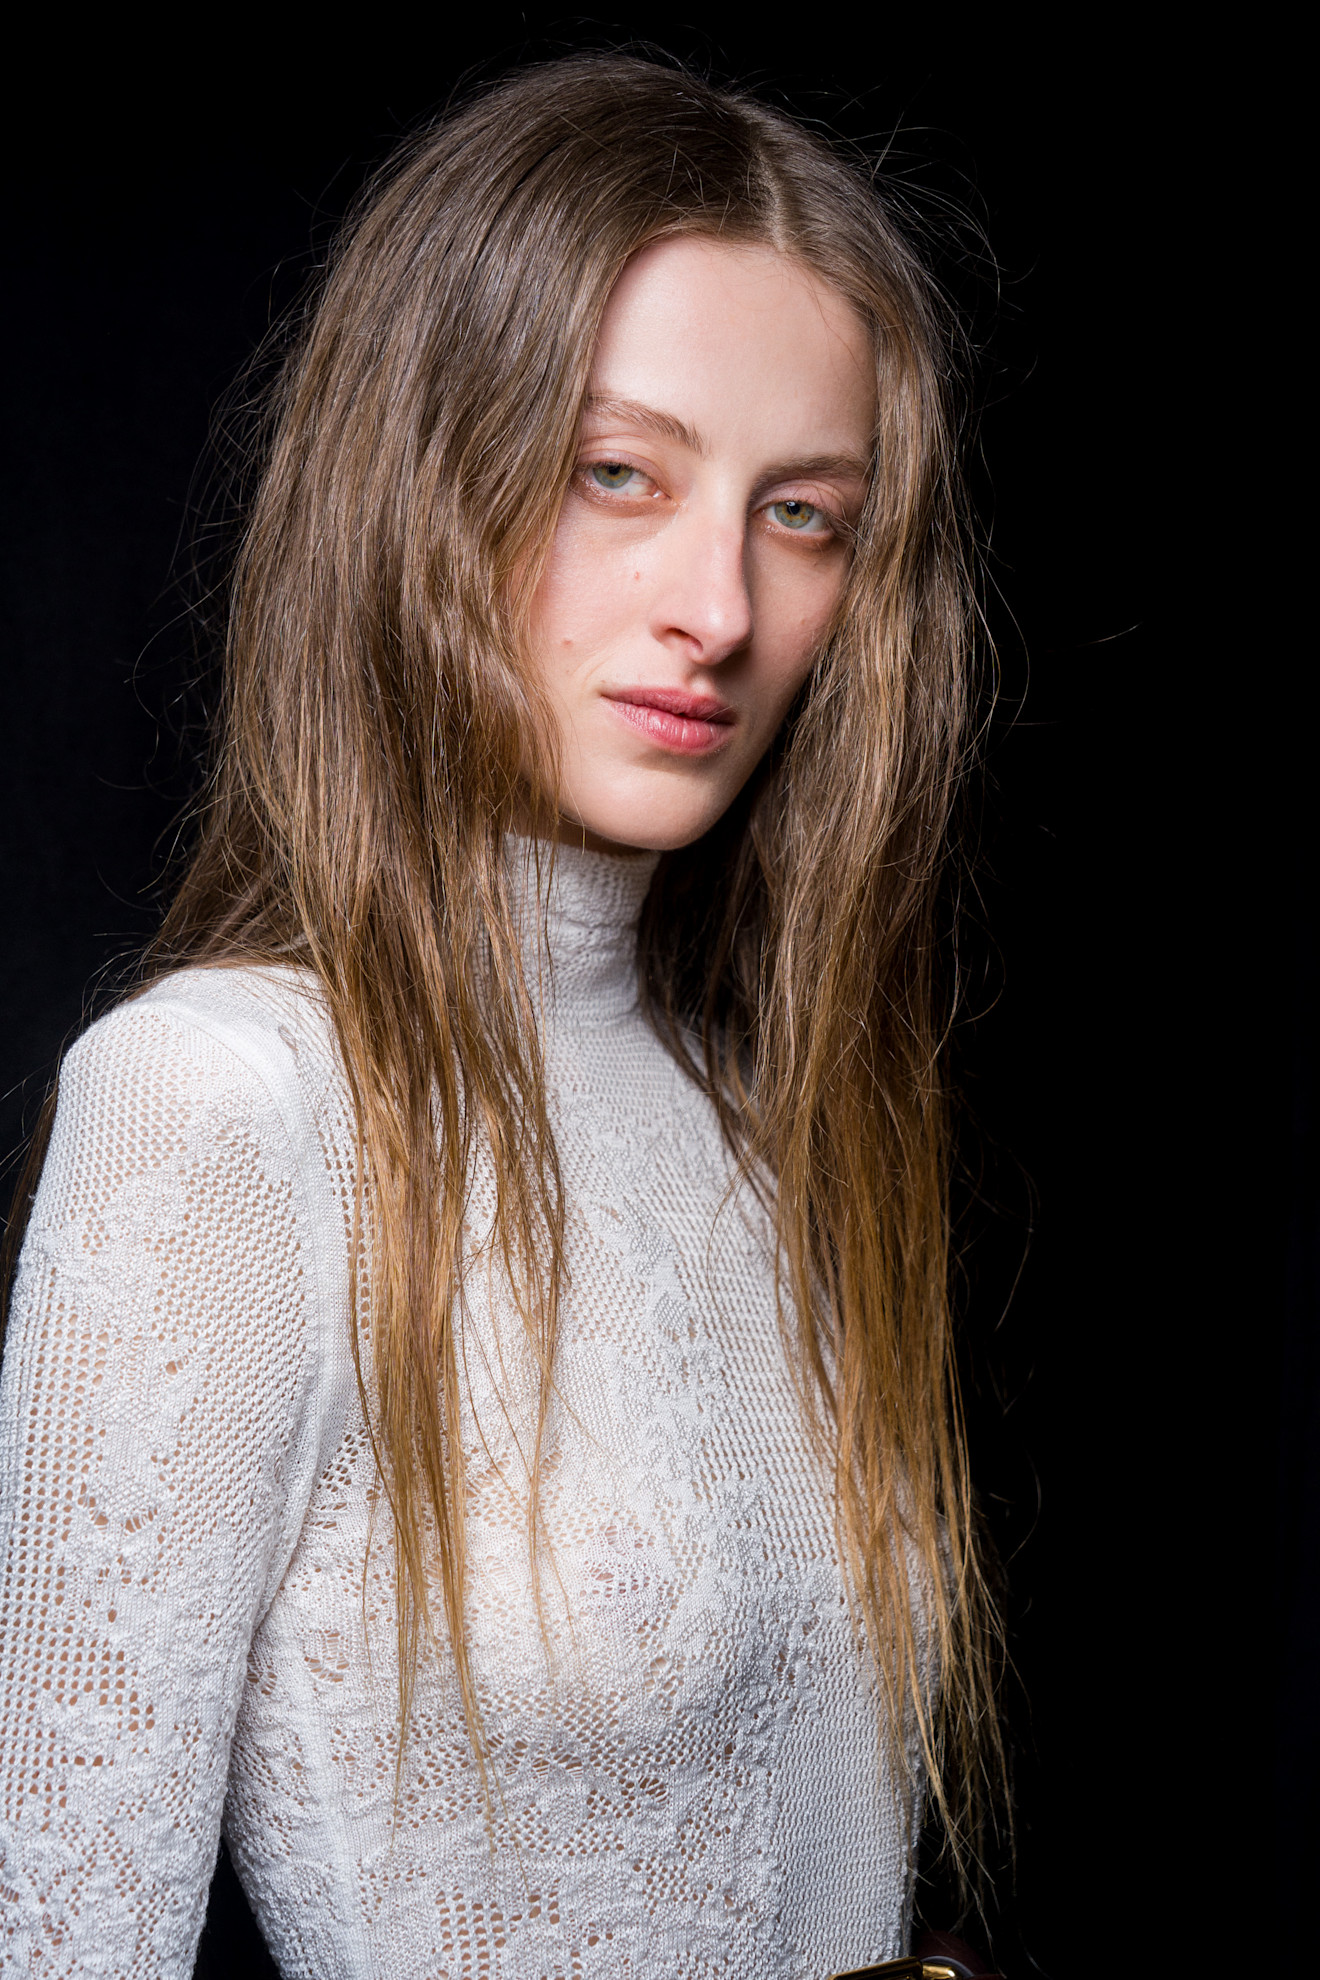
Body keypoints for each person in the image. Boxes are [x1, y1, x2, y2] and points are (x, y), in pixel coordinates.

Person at [0, 52, 1002, 1978]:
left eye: (805, 513)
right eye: (619, 472)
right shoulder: (224, 1104)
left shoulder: (748, 1107)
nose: (719, 606)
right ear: (422, 472)